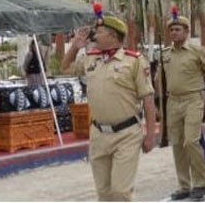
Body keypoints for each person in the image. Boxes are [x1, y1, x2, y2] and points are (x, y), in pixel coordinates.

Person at [60, 15, 156, 201]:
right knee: (104, 193)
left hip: (126, 134)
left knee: (120, 192)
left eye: (100, 32)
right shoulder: (91, 59)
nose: (94, 36)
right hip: (99, 134)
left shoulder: (134, 61)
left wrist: (150, 135)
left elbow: (148, 101)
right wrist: (75, 46)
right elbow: (64, 67)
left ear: (112, 36)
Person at [159, 13, 205, 201]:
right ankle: (184, 185)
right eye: (171, 30)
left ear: (187, 32)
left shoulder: (197, 51)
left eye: (178, 29)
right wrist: (160, 106)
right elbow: (162, 82)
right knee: (177, 144)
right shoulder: (165, 54)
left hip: (193, 99)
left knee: (191, 141)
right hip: (173, 101)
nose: (174, 33)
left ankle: (200, 182)